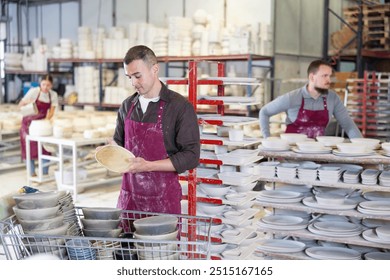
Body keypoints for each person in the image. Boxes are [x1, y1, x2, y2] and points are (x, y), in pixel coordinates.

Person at [112, 45, 200, 223]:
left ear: (155, 69)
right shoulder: (127, 106)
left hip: (162, 203)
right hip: (130, 201)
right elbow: (119, 144)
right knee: (127, 250)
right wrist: (110, 150)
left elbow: (191, 156)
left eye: (138, 76)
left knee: (160, 250)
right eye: (129, 77)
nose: (133, 83)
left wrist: (148, 166)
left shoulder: (179, 107)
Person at [259, 60, 363, 139]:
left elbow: (348, 125)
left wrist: (362, 146)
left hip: (318, 153)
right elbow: (264, 112)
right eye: (324, 76)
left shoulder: (332, 98)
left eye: (330, 76)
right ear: (312, 77)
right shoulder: (292, 97)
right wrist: (267, 139)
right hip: (292, 156)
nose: (329, 80)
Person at [18, 74, 58, 176]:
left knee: (45, 148)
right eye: (43, 84)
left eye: (48, 85)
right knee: (29, 149)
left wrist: (46, 121)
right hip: (28, 124)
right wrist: (29, 102)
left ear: (51, 85)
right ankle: (32, 174)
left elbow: (52, 111)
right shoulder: (34, 91)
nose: (45, 87)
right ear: (40, 83)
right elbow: (20, 105)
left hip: (41, 124)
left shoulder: (53, 95)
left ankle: (44, 173)